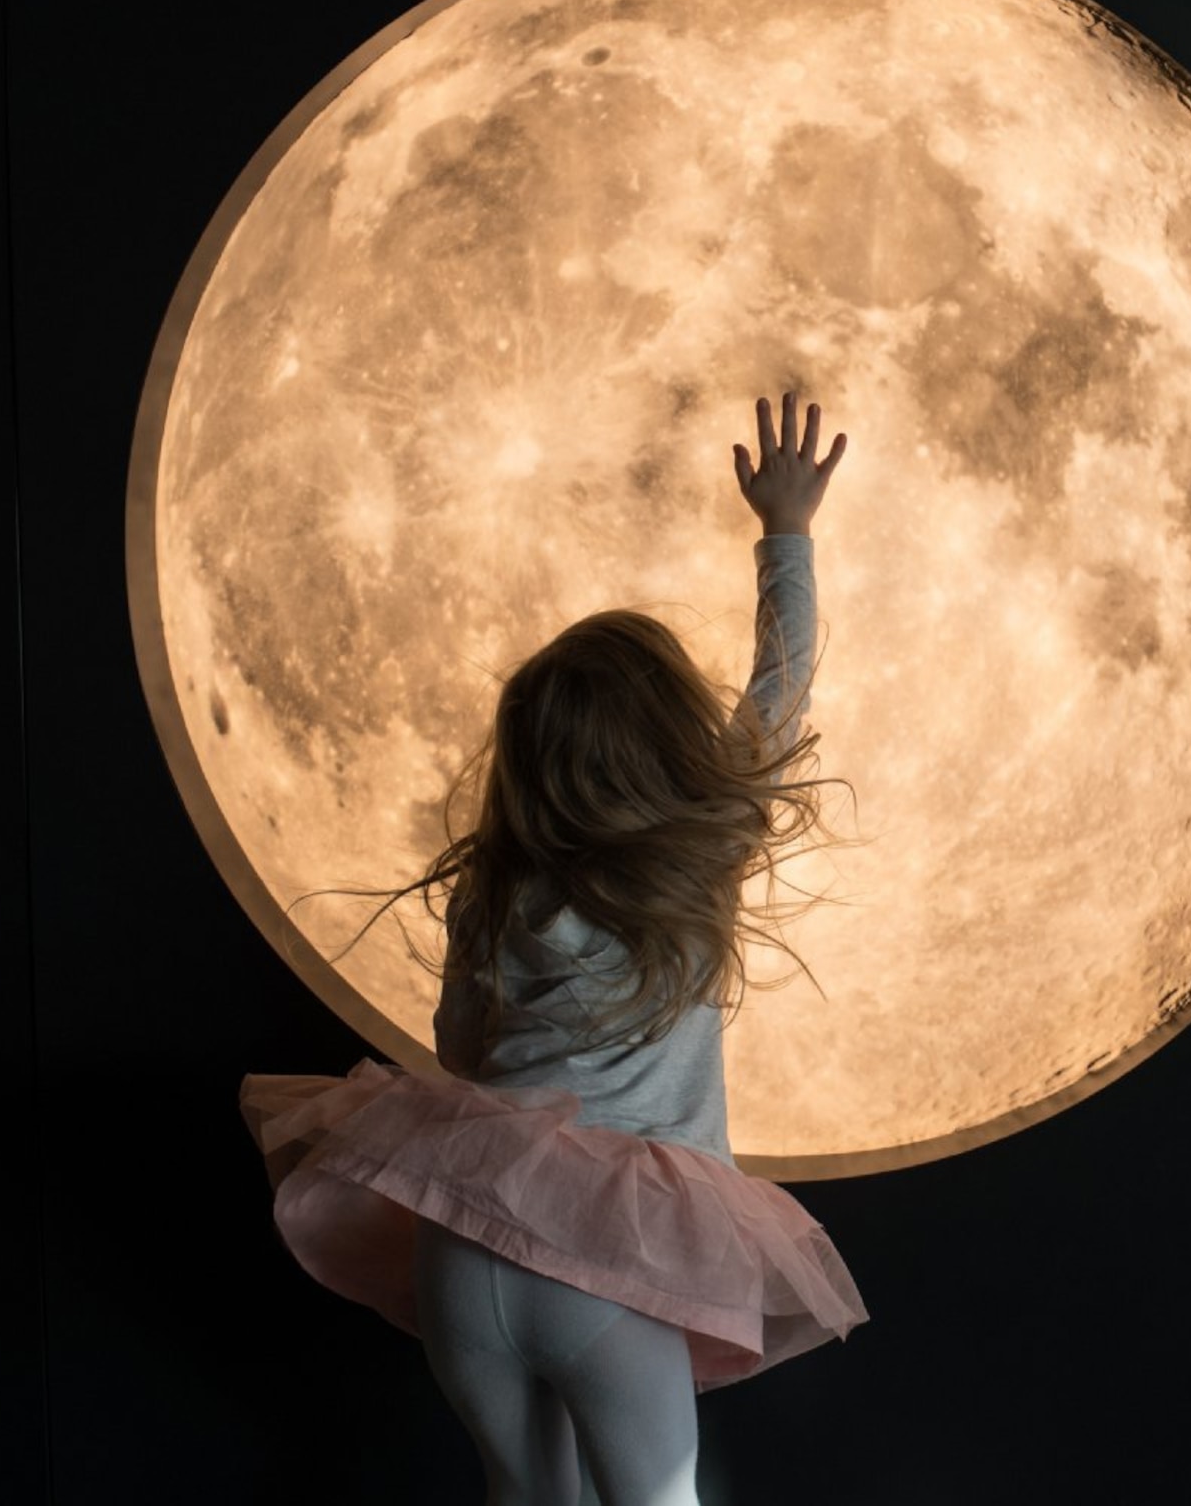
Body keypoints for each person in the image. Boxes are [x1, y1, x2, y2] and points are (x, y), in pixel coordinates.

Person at [240, 392, 866, 1506]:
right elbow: (780, 695)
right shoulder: (690, 861)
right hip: (604, 1258)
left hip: (467, 1242)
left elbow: (460, 1050)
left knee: (524, 1498)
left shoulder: (494, 889)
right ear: (669, 742)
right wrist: (786, 531)